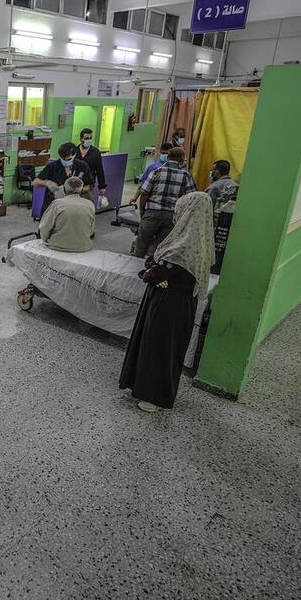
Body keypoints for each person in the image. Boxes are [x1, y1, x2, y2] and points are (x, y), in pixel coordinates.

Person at [119, 192, 214, 412]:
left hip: (168, 306)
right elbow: (155, 265)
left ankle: (154, 397)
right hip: (177, 303)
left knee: (159, 348)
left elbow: (155, 270)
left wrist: (153, 273)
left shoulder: (182, 244)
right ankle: (146, 389)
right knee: (165, 348)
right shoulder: (197, 239)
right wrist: (155, 271)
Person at [131, 147, 195, 258]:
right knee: (161, 247)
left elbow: (144, 193)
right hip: (172, 216)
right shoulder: (186, 176)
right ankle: (152, 270)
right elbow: (190, 197)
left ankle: (132, 270)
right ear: (182, 159)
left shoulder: (157, 171)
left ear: (168, 157)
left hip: (152, 213)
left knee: (141, 244)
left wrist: (142, 210)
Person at [34, 141, 93, 215]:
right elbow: (35, 182)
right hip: (53, 206)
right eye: (63, 159)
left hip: (73, 207)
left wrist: (76, 191)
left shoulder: (82, 166)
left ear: (74, 155)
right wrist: (47, 183)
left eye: (68, 159)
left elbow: (89, 186)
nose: (65, 161)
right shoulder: (52, 166)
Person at [38, 177, 96, 253]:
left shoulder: (57, 204)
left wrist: (45, 239)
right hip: (84, 247)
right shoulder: (90, 204)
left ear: (64, 189)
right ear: (81, 190)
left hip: (57, 246)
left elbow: (44, 227)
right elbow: (91, 231)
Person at [75, 128, 107, 198]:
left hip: (88, 186)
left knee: (87, 205)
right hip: (74, 185)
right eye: (86, 138)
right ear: (81, 139)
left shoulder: (95, 152)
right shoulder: (75, 151)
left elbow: (99, 170)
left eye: (90, 138)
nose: (88, 140)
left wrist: (102, 186)